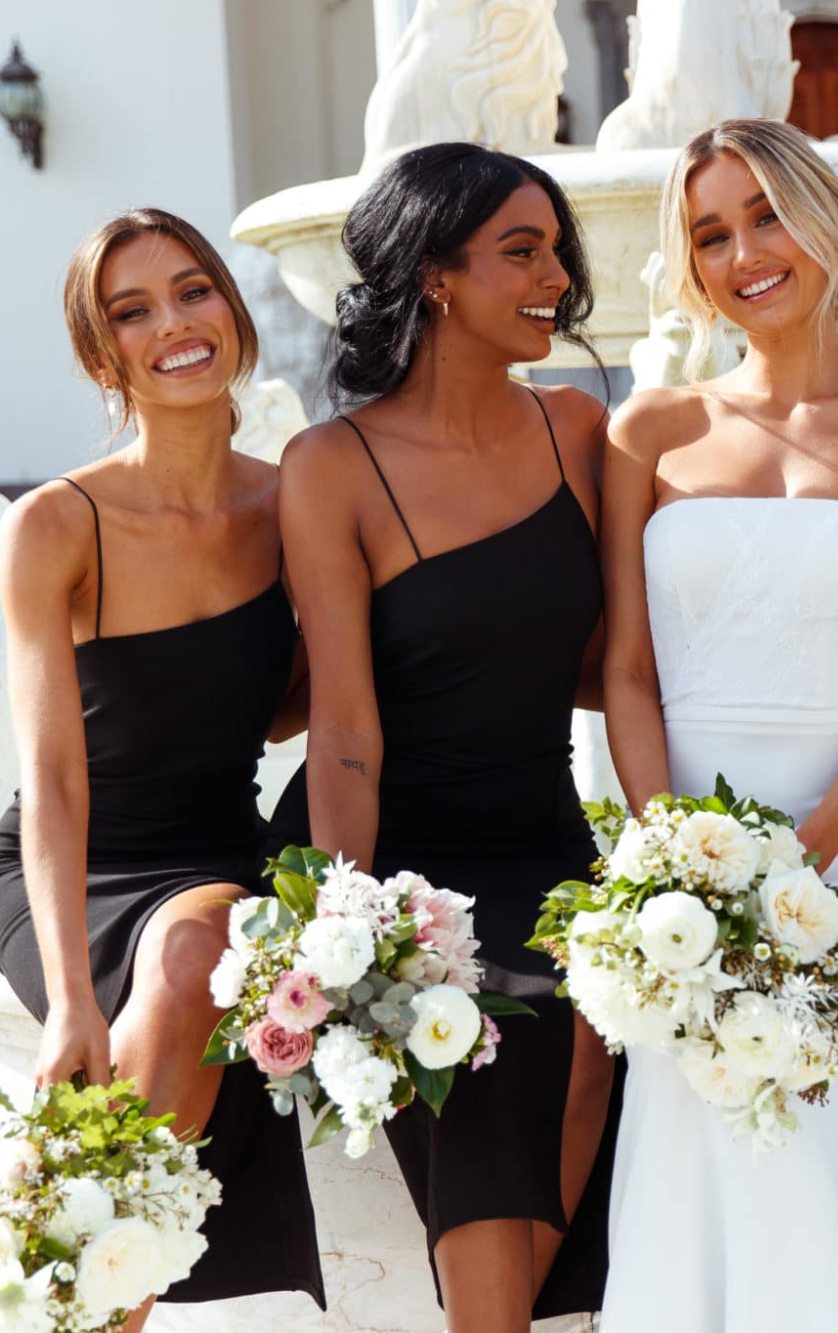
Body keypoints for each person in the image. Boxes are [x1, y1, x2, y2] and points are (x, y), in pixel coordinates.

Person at [597, 118, 838, 1333]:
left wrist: (799, 857)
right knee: (677, 1088)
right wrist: (668, 869)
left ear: (824, 221)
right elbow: (626, 671)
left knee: (800, 1084)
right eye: (710, 232)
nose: (743, 252)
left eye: (765, 214)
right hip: (668, 849)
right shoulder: (649, 433)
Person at [266, 142, 615, 1332]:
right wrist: (345, 917)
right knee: (468, 1037)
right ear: (434, 277)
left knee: (591, 1044)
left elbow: (610, 662)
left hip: (540, 822)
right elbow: (344, 725)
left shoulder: (577, 430)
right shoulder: (333, 466)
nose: (556, 277)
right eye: (523, 250)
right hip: (399, 838)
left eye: (556, 248)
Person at [0, 208, 323, 1327]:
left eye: (194, 290)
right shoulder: (54, 525)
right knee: (186, 962)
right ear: (101, 353)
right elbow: (53, 777)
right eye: (134, 310)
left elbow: (289, 707)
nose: (174, 324)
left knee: (197, 954)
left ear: (231, 306)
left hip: (216, 856)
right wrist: (69, 1002)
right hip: (72, 863)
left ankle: (65, 1297)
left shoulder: (293, 502)